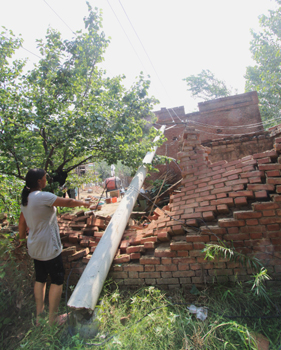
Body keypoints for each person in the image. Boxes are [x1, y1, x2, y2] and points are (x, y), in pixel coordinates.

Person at [18, 168, 91, 326]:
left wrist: (21, 241)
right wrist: (86, 203)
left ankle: (39, 317)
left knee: (41, 278)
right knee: (57, 280)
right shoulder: (42, 197)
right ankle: (53, 319)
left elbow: (22, 223)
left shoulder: (26, 198)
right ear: (39, 181)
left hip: (34, 247)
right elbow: (69, 202)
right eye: (45, 178)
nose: (46, 180)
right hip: (48, 247)